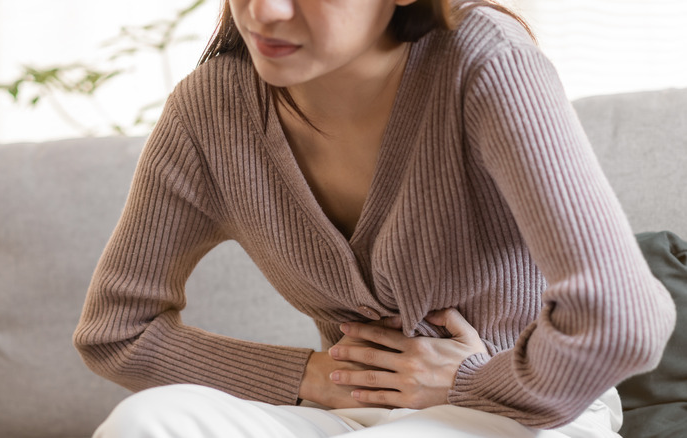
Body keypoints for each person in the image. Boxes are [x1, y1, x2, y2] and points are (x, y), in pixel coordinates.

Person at [73, 0, 676, 436]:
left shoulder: (485, 65)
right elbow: (116, 331)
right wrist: (317, 376)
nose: (263, 10)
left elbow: (624, 318)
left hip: (532, 413)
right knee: (148, 424)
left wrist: (468, 383)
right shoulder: (209, 111)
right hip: (352, 415)